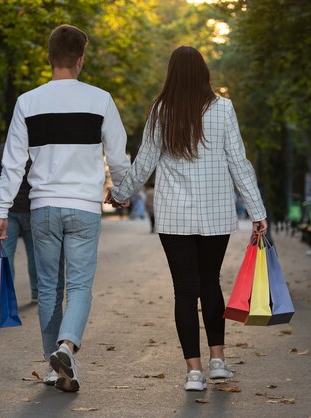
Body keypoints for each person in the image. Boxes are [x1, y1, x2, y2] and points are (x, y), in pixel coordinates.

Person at [106, 46, 267, 392]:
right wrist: (258, 212)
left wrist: (119, 194)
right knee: (210, 283)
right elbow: (239, 163)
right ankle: (219, 361)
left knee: (184, 291)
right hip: (216, 215)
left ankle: (194, 372)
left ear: (172, 74)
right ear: (204, 73)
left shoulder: (162, 111)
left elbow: (144, 164)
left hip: (174, 216)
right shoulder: (223, 109)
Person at [0, 24, 130, 392]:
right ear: (81, 59)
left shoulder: (28, 101)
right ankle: (67, 346)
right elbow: (117, 156)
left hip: (44, 208)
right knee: (80, 284)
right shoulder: (100, 100)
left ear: (50, 58)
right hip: (84, 208)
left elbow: (12, 163)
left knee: (50, 288)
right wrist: (123, 190)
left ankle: (54, 366)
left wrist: (2, 210)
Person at [0, 143, 38, 303]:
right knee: (34, 254)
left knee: (6, 253)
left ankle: (5, 295)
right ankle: (37, 292)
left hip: (8, 211)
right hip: (32, 210)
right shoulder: (38, 149)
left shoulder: (2, 150)